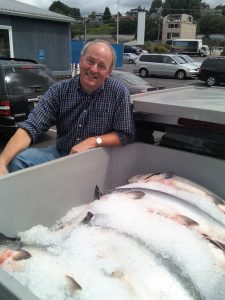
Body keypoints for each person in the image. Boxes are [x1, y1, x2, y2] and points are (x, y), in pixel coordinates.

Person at [0, 40, 135, 175]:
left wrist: (94, 141)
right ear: (81, 60)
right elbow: (31, 127)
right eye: (90, 61)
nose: (93, 69)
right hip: (63, 155)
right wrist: (2, 161)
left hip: (98, 159)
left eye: (101, 66)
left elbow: (125, 134)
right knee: (16, 160)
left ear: (108, 72)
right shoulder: (59, 90)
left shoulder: (118, 91)